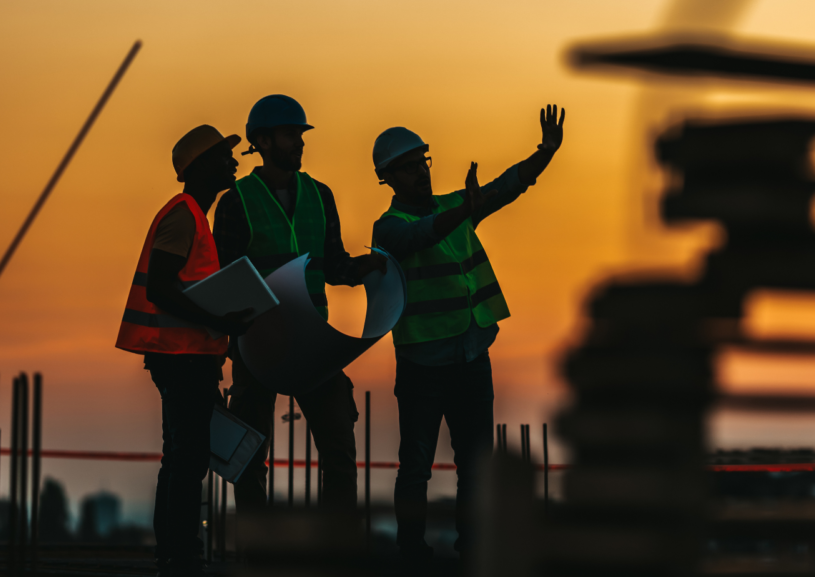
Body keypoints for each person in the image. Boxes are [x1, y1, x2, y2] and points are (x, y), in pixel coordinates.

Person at [370, 105, 565, 566]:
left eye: (424, 161)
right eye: (410, 166)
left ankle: (473, 550)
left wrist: (545, 153)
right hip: (423, 366)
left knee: (475, 466)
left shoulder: (457, 207)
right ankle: (411, 553)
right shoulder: (389, 228)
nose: (421, 171)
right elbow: (420, 235)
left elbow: (506, 187)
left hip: (471, 355)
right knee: (415, 466)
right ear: (389, 177)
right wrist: (464, 211)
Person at [213, 95, 386, 523]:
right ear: (264, 141)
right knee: (250, 458)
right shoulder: (237, 200)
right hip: (257, 347)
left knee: (340, 453)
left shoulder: (319, 196)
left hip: (312, 345)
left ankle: (334, 556)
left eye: (300, 135)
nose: (299, 143)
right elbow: (224, 281)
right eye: (291, 135)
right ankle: (260, 558)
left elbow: (332, 265)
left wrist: (365, 269)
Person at [115, 125, 253, 576]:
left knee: (180, 456)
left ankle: (174, 551)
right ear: (200, 167)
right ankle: (181, 554)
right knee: (187, 457)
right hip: (179, 358)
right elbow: (161, 287)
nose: (233, 163)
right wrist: (219, 321)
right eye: (224, 156)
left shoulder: (195, 215)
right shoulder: (184, 215)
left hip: (187, 357)